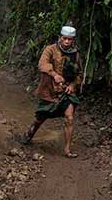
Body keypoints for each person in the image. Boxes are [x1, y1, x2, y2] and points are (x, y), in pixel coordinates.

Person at [23, 26, 81, 158]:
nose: (67, 42)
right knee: (40, 118)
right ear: (60, 37)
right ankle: (29, 134)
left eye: (70, 39)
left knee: (69, 118)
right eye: (65, 38)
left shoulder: (75, 54)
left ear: (73, 40)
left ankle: (67, 150)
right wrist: (54, 74)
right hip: (49, 91)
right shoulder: (50, 49)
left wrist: (72, 85)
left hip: (66, 92)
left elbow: (79, 73)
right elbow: (42, 64)